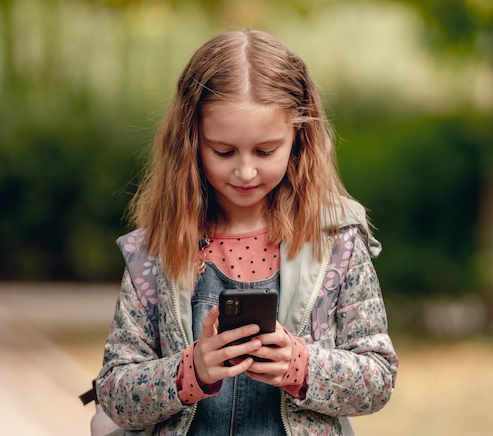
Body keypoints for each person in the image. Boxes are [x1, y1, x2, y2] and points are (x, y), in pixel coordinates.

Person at [96, 29, 398, 435]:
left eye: (265, 150)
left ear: (300, 139)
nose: (245, 171)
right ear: (190, 142)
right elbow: (113, 391)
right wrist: (190, 371)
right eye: (222, 151)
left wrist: (302, 365)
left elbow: (378, 378)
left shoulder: (336, 241)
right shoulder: (155, 251)